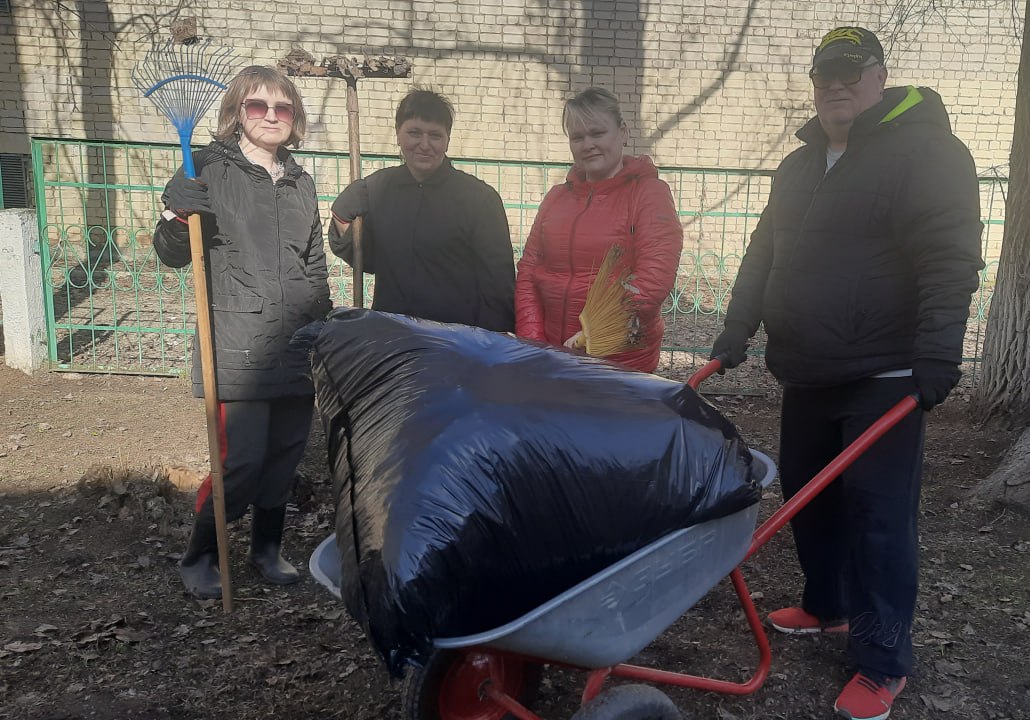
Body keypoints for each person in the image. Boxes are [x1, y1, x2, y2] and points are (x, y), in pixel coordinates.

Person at [710, 27, 984, 720]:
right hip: (807, 367)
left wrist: (939, 353)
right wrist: (738, 327)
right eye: (823, 73)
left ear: (880, 77)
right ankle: (827, 605)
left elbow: (949, 257)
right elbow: (762, 253)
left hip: (884, 372)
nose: (834, 84)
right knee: (809, 496)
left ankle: (882, 658)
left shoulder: (927, 153)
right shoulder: (799, 165)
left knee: (877, 518)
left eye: (850, 71)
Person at [154, 66, 333, 599]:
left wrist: (320, 324)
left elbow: (314, 263)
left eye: (283, 108)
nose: (271, 117)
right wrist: (176, 215)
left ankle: (266, 549)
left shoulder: (301, 182)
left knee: (284, 457)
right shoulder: (207, 168)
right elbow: (170, 254)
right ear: (237, 113)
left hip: (296, 344)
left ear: (295, 118)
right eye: (258, 106)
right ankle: (201, 554)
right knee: (242, 461)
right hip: (237, 345)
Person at [514, 87, 682, 372]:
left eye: (597, 133)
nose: (587, 144)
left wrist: (591, 334)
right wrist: (534, 341)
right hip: (552, 354)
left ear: (623, 132)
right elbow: (529, 273)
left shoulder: (648, 194)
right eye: (577, 137)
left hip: (618, 360)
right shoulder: (556, 198)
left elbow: (653, 279)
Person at [328, 89, 515, 332]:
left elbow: (498, 287)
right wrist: (342, 212)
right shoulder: (378, 188)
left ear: (447, 139)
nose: (424, 145)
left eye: (435, 135)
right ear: (398, 133)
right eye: (414, 133)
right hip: (392, 335)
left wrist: (487, 344)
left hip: (455, 339)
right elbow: (367, 258)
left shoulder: (479, 199)